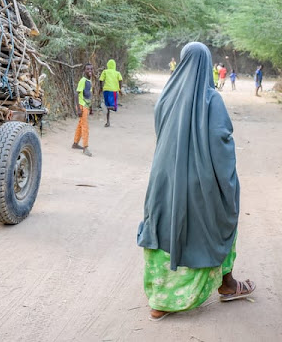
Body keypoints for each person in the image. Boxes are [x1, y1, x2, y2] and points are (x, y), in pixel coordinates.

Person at [137, 42, 254, 320]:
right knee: (222, 219)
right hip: (199, 181)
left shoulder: (165, 96)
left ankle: (160, 298)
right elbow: (221, 142)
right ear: (207, 65)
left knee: (163, 225)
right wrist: (228, 183)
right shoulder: (211, 99)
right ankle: (227, 284)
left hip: (163, 179)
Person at [72, 63, 94, 157]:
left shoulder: (89, 81)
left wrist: (91, 107)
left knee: (80, 125)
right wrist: (78, 109)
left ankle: (75, 143)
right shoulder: (83, 81)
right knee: (85, 126)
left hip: (86, 106)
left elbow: (89, 95)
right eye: (88, 69)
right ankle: (85, 147)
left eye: (91, 69)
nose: (90, 71)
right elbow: (76, 94)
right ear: (84, 71)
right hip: (82, 106)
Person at [99, 59, 123, 128]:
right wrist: (119, 89)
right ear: (114, 65)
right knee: (114, 107)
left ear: (108, 65)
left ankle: (108, 122)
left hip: (106, 90)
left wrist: (101, 88)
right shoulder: (117, 73)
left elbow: (100, 80)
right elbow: (120, 80)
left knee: (108, 108)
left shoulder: (105, 72)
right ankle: (105, 107)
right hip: (113, 91)